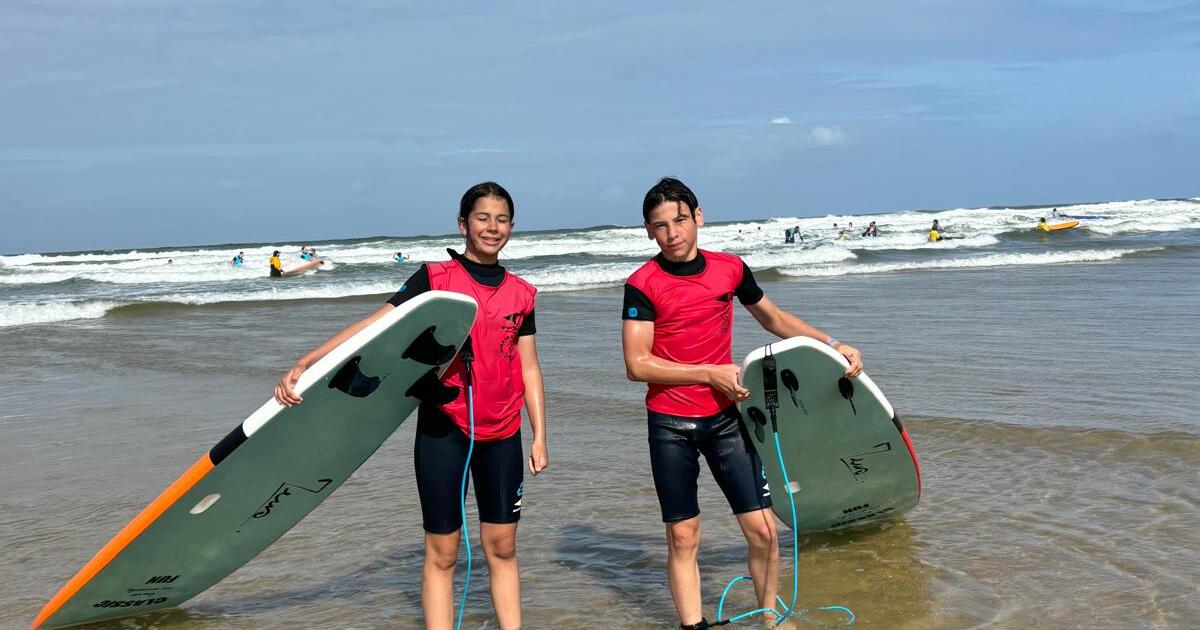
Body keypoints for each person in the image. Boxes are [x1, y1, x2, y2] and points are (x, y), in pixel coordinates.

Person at [274, 182, 546, 630]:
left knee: (502, 547)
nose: (492, 227)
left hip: (503, 433)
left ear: (512, 227)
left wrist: (540, 435)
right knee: (443, 551)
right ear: (463, 224)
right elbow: (373, 326)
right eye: (482, 217)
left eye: (501, 219)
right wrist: (308, 361)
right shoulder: (434, 280)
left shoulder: (522, 293)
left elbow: (530, 367)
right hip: (445, 428)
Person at [622, 177, 863, 630]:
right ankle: (692, 625)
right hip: (670, 423)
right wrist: (707, 372)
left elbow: (773, 318)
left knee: (764, 531)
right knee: (683, 535)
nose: (672, 233)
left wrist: (832, 343)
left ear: (698, 216)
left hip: (728, 419)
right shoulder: (642, 284)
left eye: (679, 220)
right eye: (660, 226)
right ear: (648, 232)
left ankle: (770, 618)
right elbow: (637, 364)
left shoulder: (730, 269)